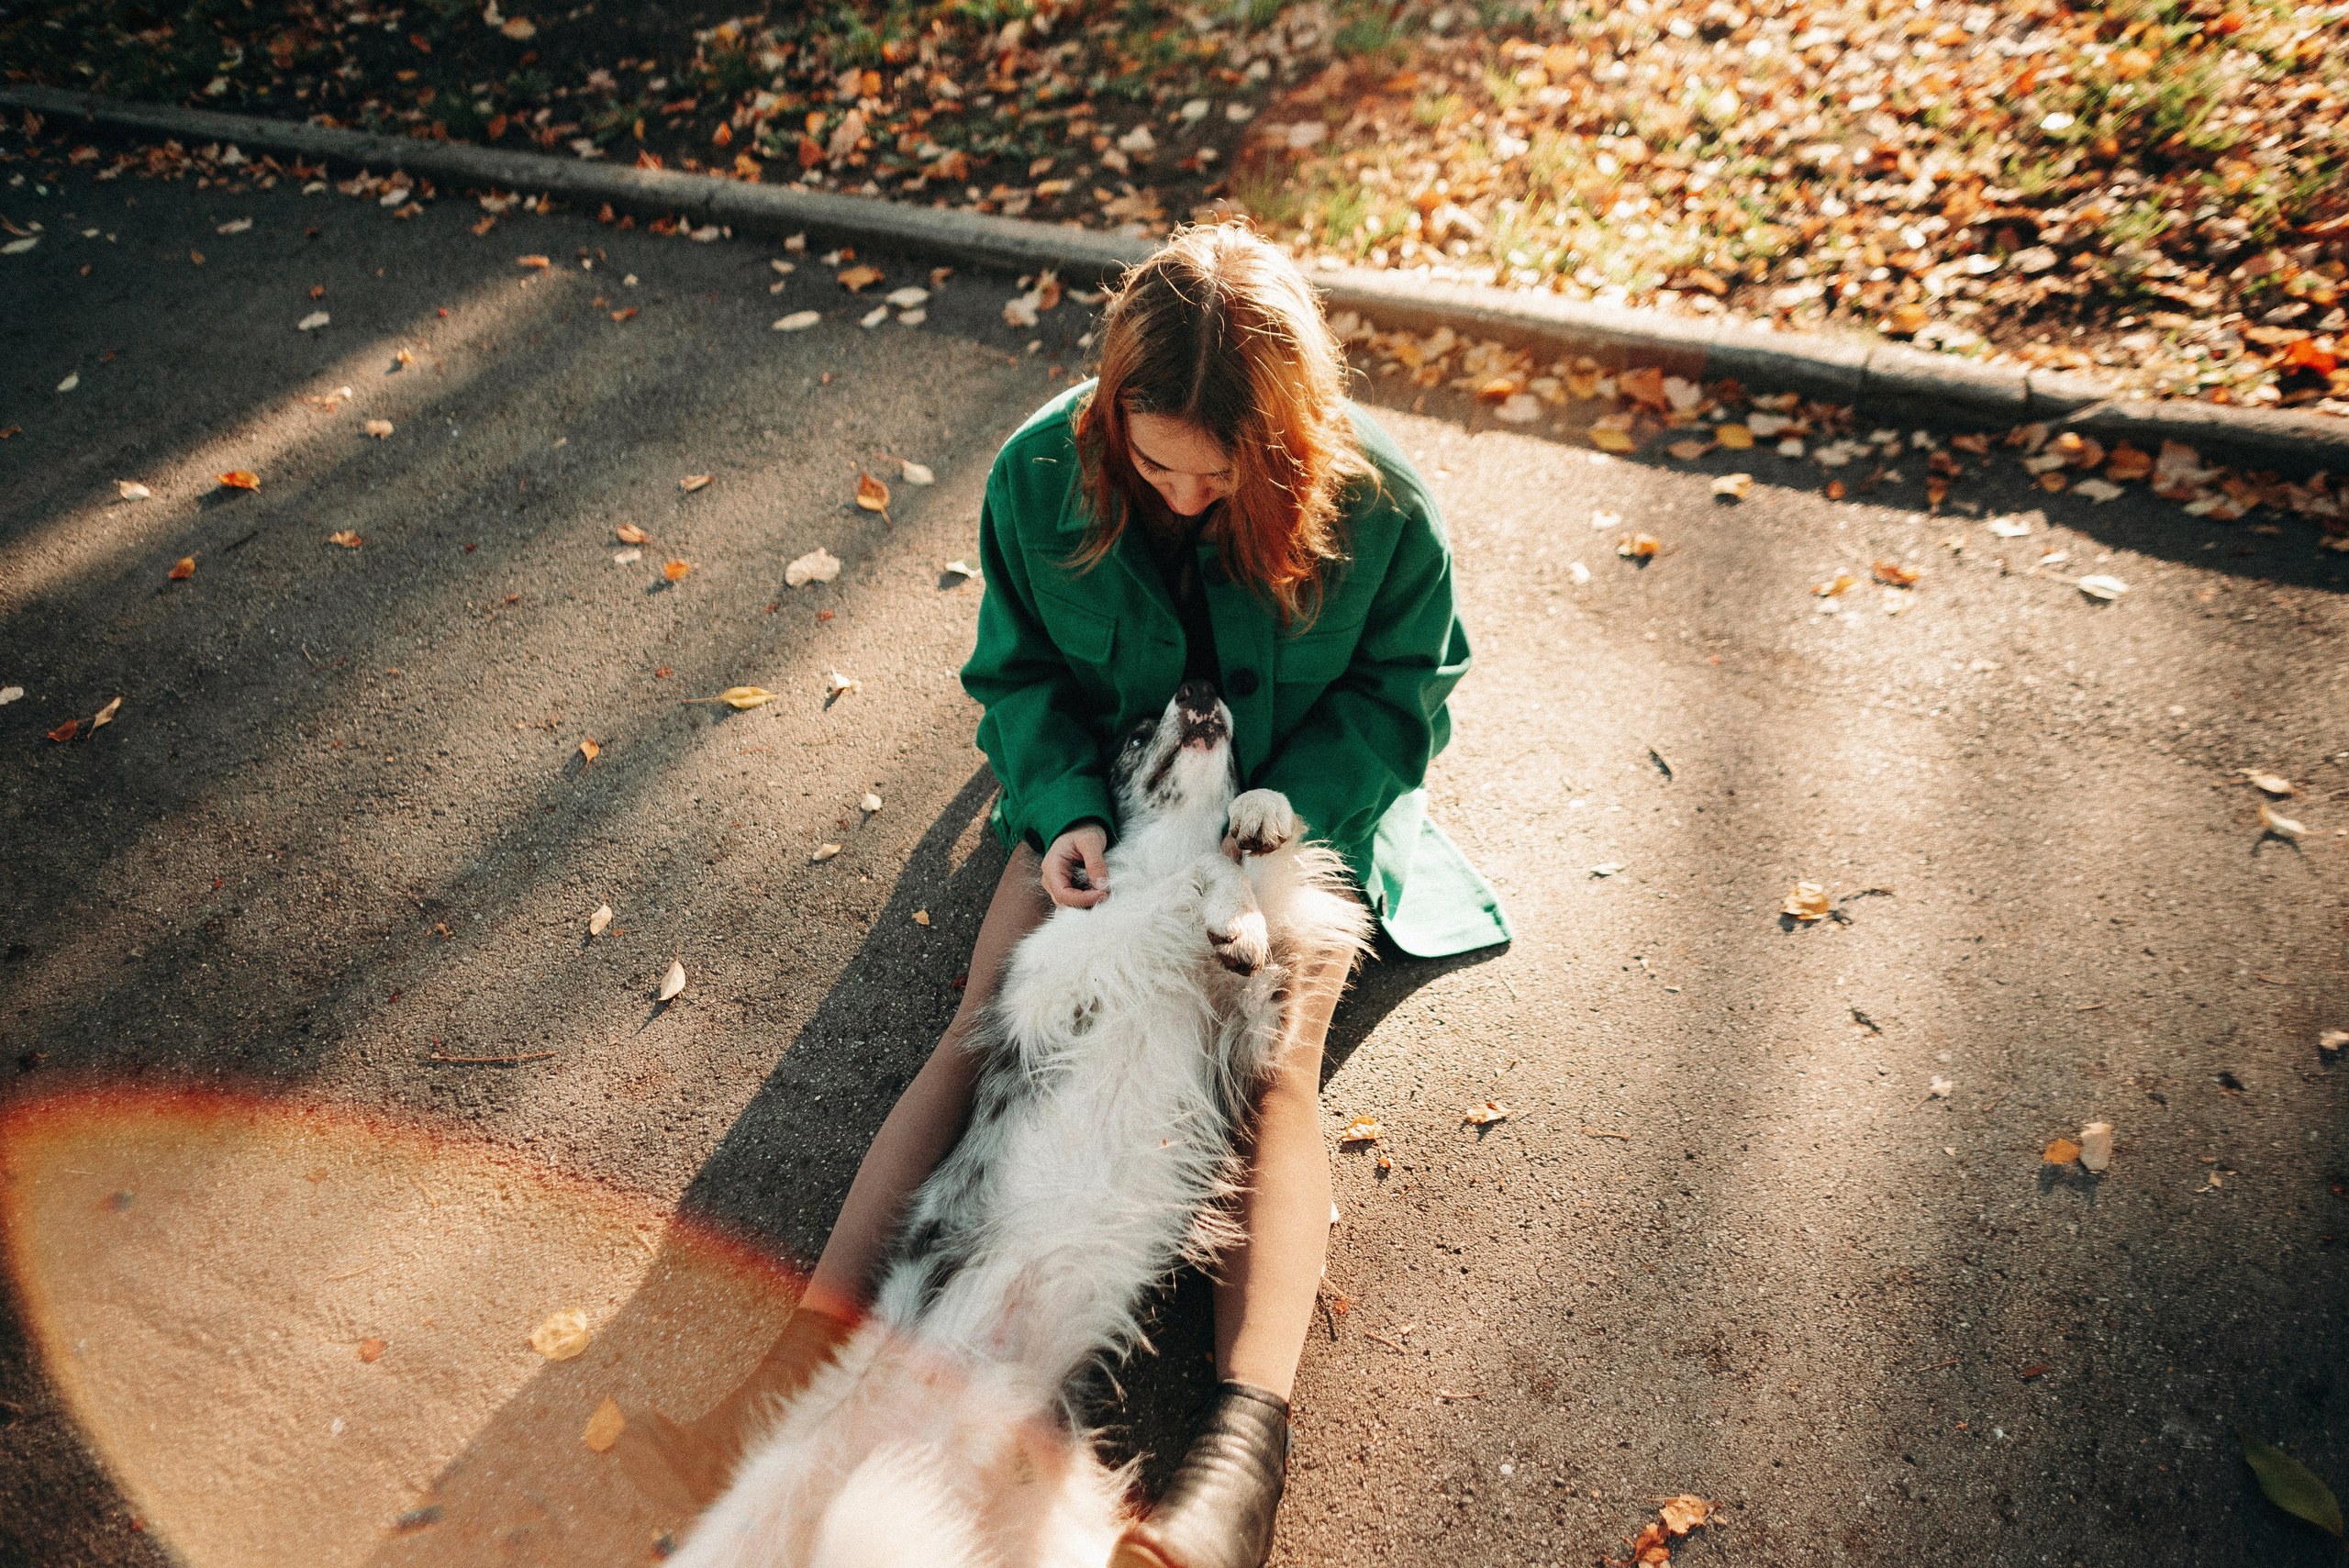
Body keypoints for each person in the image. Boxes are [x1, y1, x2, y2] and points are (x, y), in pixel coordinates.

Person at [619, 225, 1509, 1568]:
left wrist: (1273, 837)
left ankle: (1232, 1481)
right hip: (1105, 798)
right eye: (1158, 465)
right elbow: (1019, 669)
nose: (1191, 498)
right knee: (985, 1019)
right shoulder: (1040, 470)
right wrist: (1068, 811)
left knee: (1271, 1071)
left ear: (1291, 437)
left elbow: (1402, 702)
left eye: (1227, 475)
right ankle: (775, 1386)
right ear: (1110, 412)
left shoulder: (1385, 507)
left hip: (1284, 822)